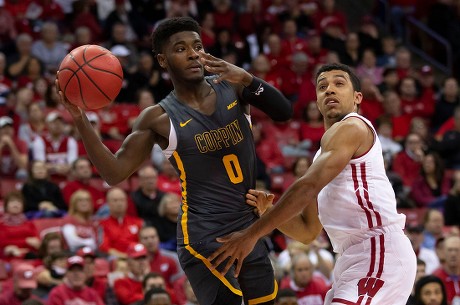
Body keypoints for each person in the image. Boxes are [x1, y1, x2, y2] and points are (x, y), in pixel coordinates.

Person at [56, 16, 292, 305]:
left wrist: (247, 77)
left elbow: (283, 112)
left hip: (249, 227)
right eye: (180, 49)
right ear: (163, 60)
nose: (193, 53)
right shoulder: (158, 117)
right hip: (204, 236)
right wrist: (80, 120)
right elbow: (114, 173)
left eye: (197, 46)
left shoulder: (232, 86)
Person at [209, 63, 417, 305]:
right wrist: (268, 210)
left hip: (380, 249)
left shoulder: (354, 126)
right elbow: (308, 231)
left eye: (339, 83)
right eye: (322, 86)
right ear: (317, 100)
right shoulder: (322, 157)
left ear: (357, 97)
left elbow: (306, 186)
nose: (329, 90)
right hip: (351, 258)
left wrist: (251, 235)